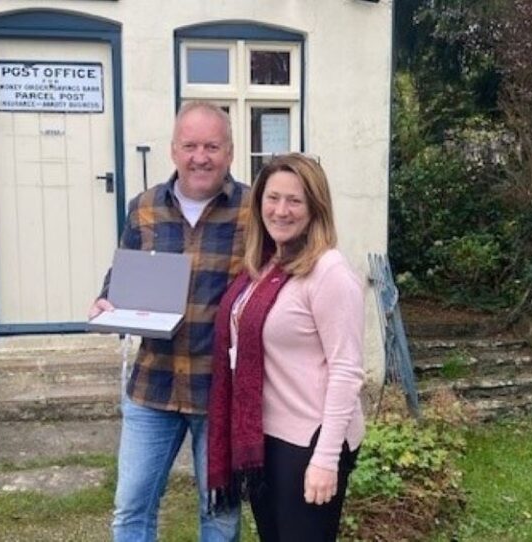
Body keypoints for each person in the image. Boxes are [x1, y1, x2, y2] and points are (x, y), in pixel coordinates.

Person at [88, 101, 248, 542]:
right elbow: (123, 275)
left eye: (212, 146)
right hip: (153, 385)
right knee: (131, 508)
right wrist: (107, 299)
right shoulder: (142, 208)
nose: (201, 156)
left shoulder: (255, 211)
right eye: (191, 145)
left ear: (230, 152)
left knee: (220, 514)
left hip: (221, 391)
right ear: (173, 151)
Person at [207, 153, 366, 541]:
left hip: (309, 441)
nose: (281, 211)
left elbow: (347, 369)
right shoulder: (264, 267)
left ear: (315, 208)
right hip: (266, 439)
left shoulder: (329, 273)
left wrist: (326, 458)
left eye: (294, 201)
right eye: (272, 198)